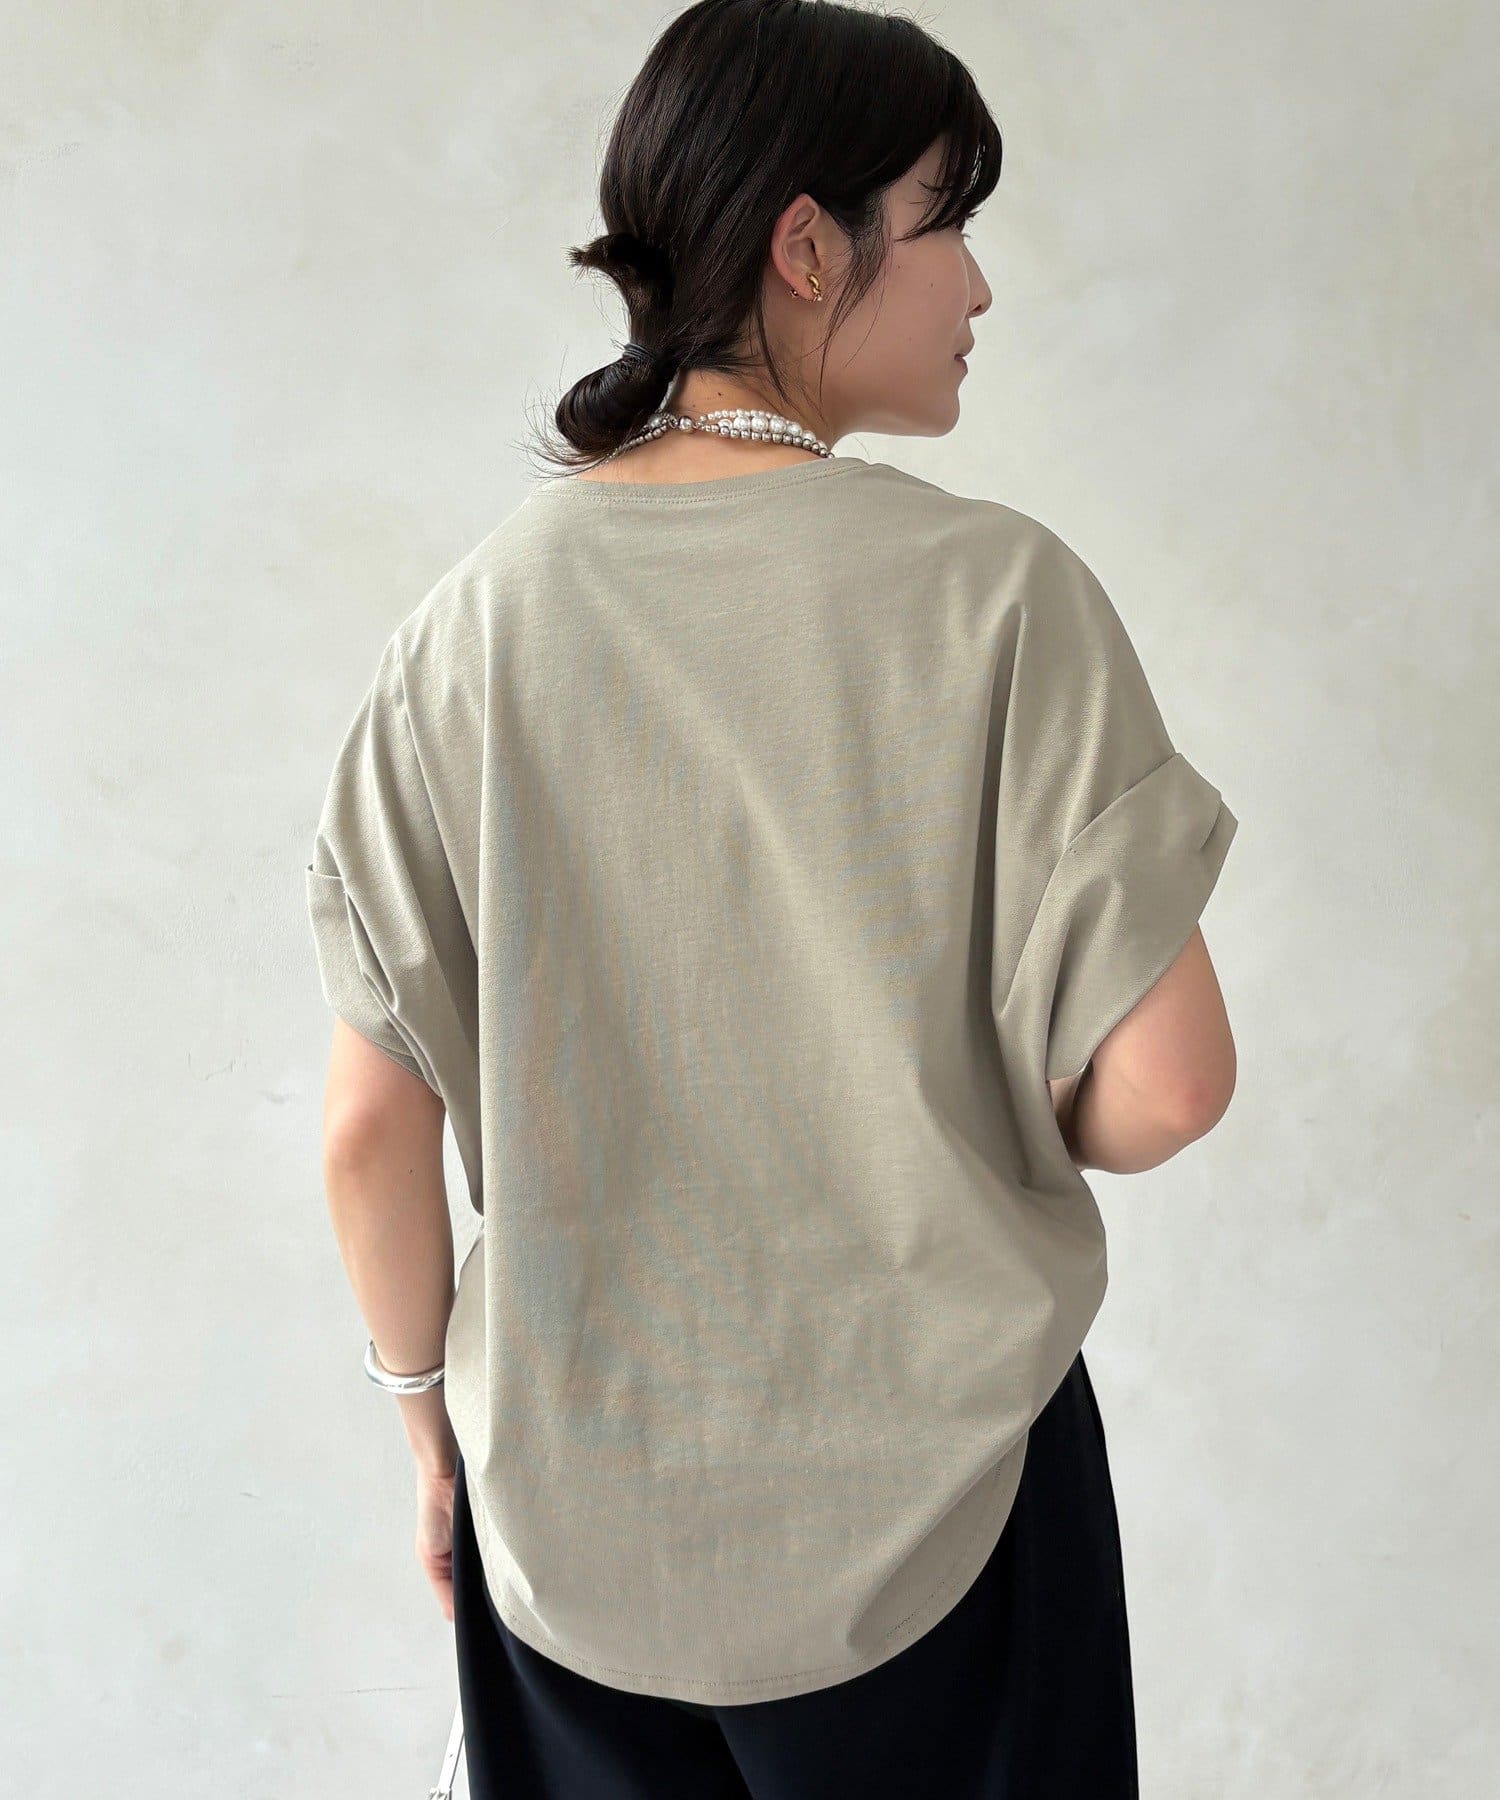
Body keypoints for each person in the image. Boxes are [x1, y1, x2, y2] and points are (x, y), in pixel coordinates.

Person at [304, 2, 1239, 1794]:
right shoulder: (999, 598)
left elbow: (366, 1128)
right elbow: (1173, 1085)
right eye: (948, 220)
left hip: (568, 1522)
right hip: (949, 1511)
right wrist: (976, 1093)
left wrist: (428, 1429)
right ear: (808, 246)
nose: (979, 284)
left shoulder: (465, 634)